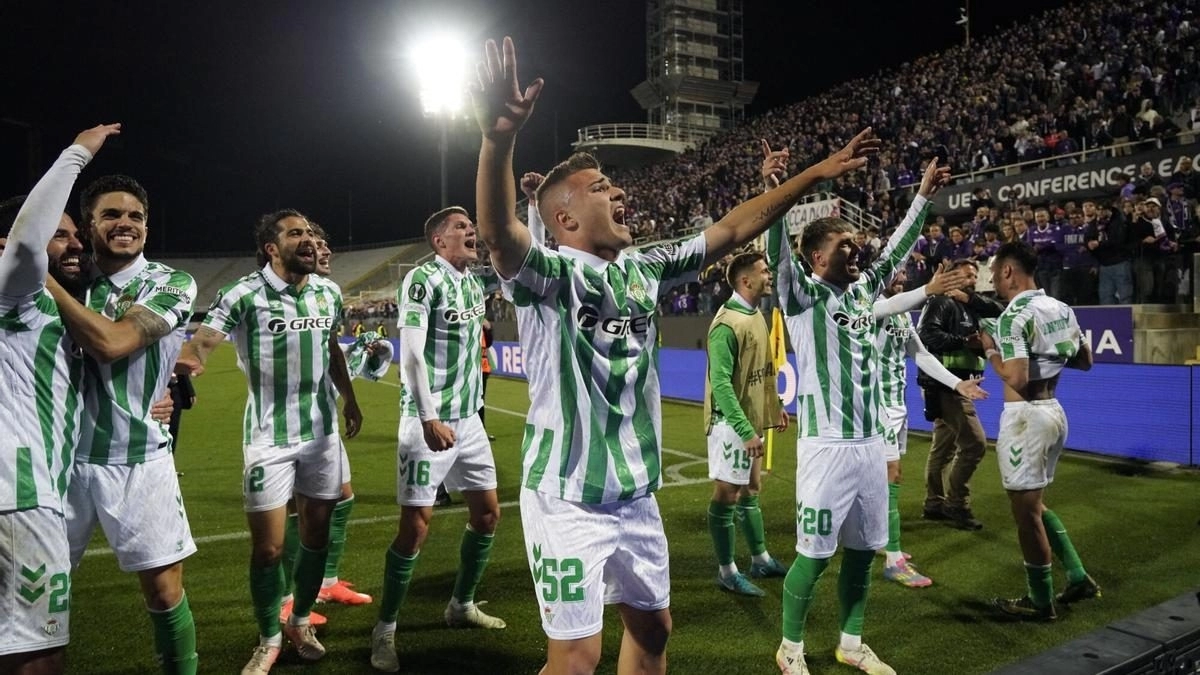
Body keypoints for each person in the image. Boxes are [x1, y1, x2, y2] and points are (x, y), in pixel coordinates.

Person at [471, 36, 879, 675]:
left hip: (636, 494)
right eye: (602, 186)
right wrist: (497, 140)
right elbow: (498, 234)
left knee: (656, 630)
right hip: (567, 496)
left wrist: (814, 176)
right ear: (565, 219)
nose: (620, 193)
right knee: (576, 660)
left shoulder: (645, 267)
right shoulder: (548, 274)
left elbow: (735, 227)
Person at [765, 155, 950, 675]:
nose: (857, 249)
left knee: (865, 552)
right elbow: (778, 251)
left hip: (871, 445)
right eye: (844, 244)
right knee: (816, 556)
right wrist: (777, 195)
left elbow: (894, 250)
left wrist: (923, 196)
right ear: (817, 256)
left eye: (855, 243)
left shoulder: (865, 290)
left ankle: (850, 642)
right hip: (826, 449)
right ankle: (791, 648)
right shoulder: (801, 297)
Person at [176, 209, 363, 674]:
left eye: (309, 233)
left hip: (320, 436)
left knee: (315, 538)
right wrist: (186, 365)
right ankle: (268, 637)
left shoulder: (328, 291)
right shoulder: (242, 294)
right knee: (269, 549)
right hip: (268, 440)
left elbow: (333, 349)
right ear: (271, 248)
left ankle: (300, 622)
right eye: (295, 233)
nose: (308, 240)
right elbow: (202, 341)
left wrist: (350, 400)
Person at [45, 166, 200, 675]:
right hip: (59, 468)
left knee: (163, 591)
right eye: (110, 214)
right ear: (89, 225)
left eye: (136, 215)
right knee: (38, 594)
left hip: (139, 461)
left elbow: (113, 343)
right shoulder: (72, 278)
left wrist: (174, 389)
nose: (125, 223)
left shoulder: (170, 282)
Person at [0, 124, 117, 675]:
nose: (76, 244)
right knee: (39, 652)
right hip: (20, 495)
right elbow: (26, 244)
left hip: (21, 491)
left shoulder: (46, 310)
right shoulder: (17, 292)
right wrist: (77, 154)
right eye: (63, 234)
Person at [370, 206, 507, 673]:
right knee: (415, 530)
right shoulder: (421, 281)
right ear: (438, 242)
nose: (471, 232)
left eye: (471, 226)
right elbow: (410, 356)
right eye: (460, 228)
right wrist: (429, 417)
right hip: (428, 422)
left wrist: (529, 208)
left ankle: (461, 605)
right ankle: (385, 629)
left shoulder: (472, 281)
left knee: (488, 515)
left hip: (469, 421)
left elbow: (529, 259)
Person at [981, 242, 1100, 620]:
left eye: (995, 273)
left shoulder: (1013, 316)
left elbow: (1016, 377)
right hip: (1054, 412)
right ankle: (1078, 577)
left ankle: (1040, 601)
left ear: (1008, 272)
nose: (994, 282)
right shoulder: (1061, 308)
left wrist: (989, 351)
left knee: (1025, 515)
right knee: (1035, 505)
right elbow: (1085, 361)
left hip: (1025, 417)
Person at [874, 266, 987, 589]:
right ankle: (893, 558)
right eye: (894, 275)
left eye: (903, 276)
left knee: (880, 478)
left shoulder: (900, 317)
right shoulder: (869, 309)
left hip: (896, 407)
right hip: (874, 408)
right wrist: (928, 289)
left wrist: (957, 384)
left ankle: (878, 538)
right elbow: (886, 306)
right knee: (890, 475)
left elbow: (920, 354)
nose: (901, 279)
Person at [703, 251, 790, 598]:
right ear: (745, 280)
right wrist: (746, 431)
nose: (769, 276)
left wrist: (775, 405)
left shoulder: (756, 314)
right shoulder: (727, 324)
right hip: (731, 423)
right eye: (764, 271)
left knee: (752, 489)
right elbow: (721, 385)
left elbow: (761, 370)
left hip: (752, 419)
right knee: (728, 493)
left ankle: (761, 558)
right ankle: (727, 571)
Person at [917, 259, 1004, 531]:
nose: (973, 279)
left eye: (975, 275)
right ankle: (957, 504)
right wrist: (964, 342)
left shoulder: (968, 304)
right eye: (967, 275)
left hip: (955, 385)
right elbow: (926, 336)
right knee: (974, 444)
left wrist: (968, 297)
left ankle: (934, 504)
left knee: (943, 449)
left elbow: (999, 309)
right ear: (952, 277)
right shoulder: (941, 302)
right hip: (947, 385)